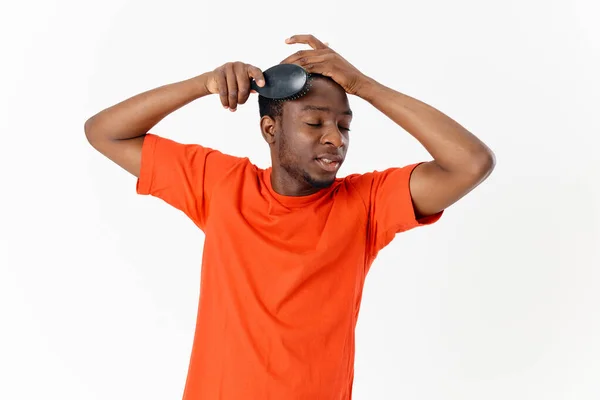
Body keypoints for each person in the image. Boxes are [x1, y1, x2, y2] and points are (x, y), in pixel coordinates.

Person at [85, 34, 495, 399]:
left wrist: (366, 87)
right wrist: (203, 84)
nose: (335, 138)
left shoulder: (367, 203)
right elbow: (104, 130)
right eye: (315, 122)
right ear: (270, 130)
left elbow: (470, 163)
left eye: (344, 126)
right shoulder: (222, 184)